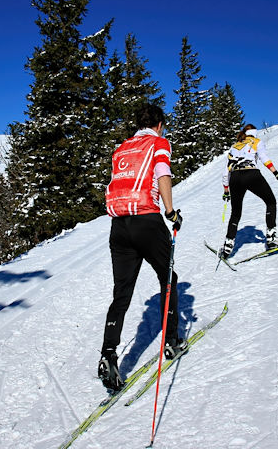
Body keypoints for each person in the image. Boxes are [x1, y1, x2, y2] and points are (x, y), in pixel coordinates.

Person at [99, 104, 186, 391]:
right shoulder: (159, 142)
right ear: (159, 124)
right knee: (168, 278)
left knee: (121, 292)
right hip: (146, 220)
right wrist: (171, 211)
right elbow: (162, 173)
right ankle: (172, 343)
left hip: (119, 225)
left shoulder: (122, 148)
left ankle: (108, 354)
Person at [220, 124, 278, 258]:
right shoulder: (257, 142)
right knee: (270, 201)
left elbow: (225, 172)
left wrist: (226, 190)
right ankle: (271, 238)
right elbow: (264, 159)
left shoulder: (235, 145)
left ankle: (228, 246)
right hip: (251, 174)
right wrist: (277, 174)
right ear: (254, 133)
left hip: (235, 177)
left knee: (235, 213)